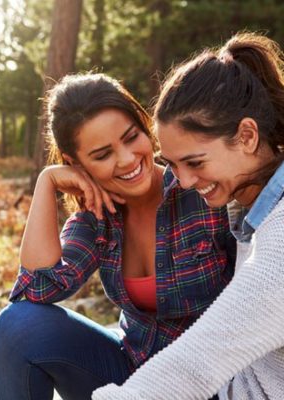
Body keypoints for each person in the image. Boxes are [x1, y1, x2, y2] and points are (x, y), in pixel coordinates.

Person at [0, 73, 235, 400]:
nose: (127, 159)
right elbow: (36, 290)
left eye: (131, 137)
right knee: (17, 326)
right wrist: (46, 183)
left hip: (213, 383)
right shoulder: (98, 219)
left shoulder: (202, 192)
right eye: (103, 154)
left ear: (144, 125)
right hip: (133, 375)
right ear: (76, 164)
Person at [92, 32, 284, 400]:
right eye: (173, 165)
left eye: (195, 162)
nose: (182, 182)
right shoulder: (252, 205)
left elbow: (197, 364)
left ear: (246, 136)